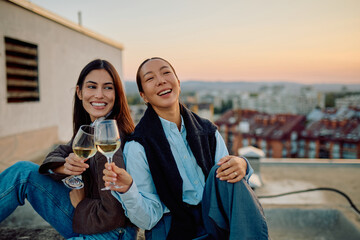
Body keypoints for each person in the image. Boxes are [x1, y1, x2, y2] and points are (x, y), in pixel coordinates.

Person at [103, 57, 269, 239]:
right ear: (143, 96)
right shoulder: (138, 146)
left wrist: (242, 164)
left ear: (178, 83)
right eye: (150, 78)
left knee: (226, 172)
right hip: (173, 227)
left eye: (166, 72)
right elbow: (147, 220)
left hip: (214, 220)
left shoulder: (208, 131)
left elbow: (226, 182)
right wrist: (129, 190)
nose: (161, 80)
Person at [0, 59, 138, 239]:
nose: (99, 94)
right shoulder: (91, 128)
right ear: (79, 92)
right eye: (92, 86)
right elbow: (60, 152)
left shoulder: (109, 137)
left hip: (110, 232)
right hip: (92, 220)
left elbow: (115, 214)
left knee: (22, 174)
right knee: (23, 172)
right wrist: (64, 166)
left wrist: (81, 204)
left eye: (108, 87)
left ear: (117, 94)